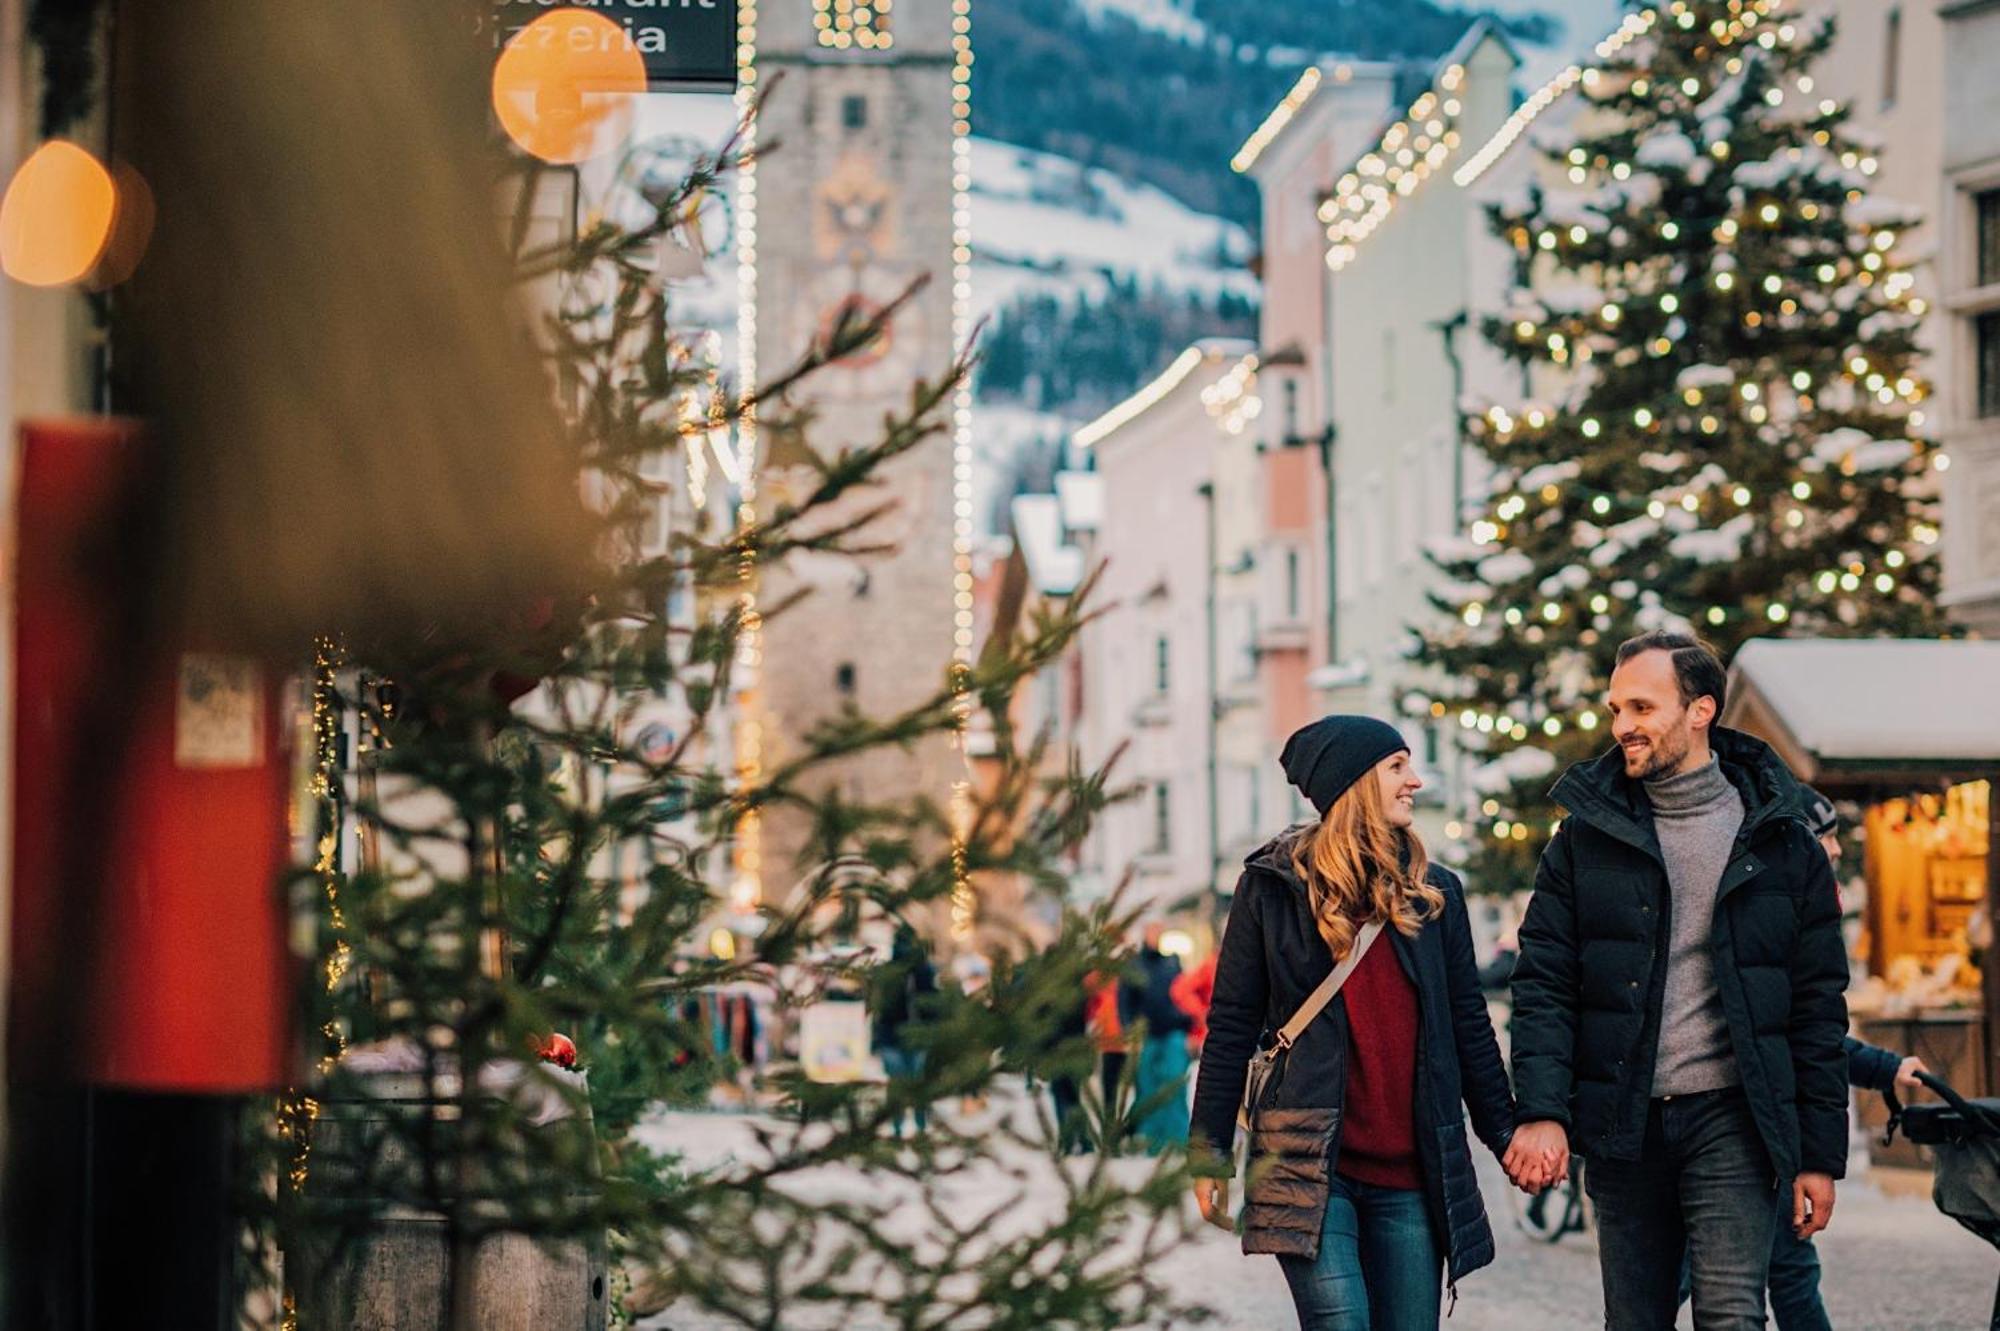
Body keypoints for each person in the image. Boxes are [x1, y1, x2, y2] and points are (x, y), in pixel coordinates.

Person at [1507, 630, 1850, 1331]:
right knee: (1636, 1320)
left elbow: (1817, 1007)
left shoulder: (1783, 840)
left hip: (1734, 1116)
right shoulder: (1583, 838)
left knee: (1731, 1315)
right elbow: (1543, 981)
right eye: (1614, 709)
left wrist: (1819, 1156)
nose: (1622, 726)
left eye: (1641, 705)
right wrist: (1543, 1108)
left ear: (1700, 710)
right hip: (1622, 1121)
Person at [1188, 715, 1517, 1330]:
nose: (1414, 781)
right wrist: (1208, 1151)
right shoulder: (1273, 889)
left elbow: (1467, 1022)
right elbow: (1231, 1023)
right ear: (1354, 783)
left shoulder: (1434, 893)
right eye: (1397, 767)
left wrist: (1507, 1137)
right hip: (1306, 1162)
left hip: (1411, 1174)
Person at [1673, 786, 1928, 1330]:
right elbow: (1793, 1029)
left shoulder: (1796, 900)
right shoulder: (1772, 901)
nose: (1835, 851)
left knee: (1778, 1274)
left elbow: (1812, 1029)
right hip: (1746, 1131)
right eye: (1825, 837)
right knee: (1730, 1279)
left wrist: (1882, 1068)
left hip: (1771, 1132)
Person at [1122, 922, 1195, 1152]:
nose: (1155, 934)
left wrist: (1190, 1024)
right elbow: (1124, 1002)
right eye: (1151, 930)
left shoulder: (1172, 962)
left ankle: (1179, 1142)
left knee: (1174, 1086)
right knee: (1148, 1089)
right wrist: (1130, 1032)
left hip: (1173, 1032)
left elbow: (1186, 993)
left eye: (1159, 931)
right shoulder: (1134, 965)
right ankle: (1151, 1142)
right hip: (1147, 1037)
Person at [871, 924, 938, 1138]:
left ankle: (900, 1125)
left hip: (894, 1036)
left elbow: (878, 1007)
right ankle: (917, 1125)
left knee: (899, 1084)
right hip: (913, 1035)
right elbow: (932, 1004)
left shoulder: (890, 971)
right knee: (915, 1083)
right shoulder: (924, 970)